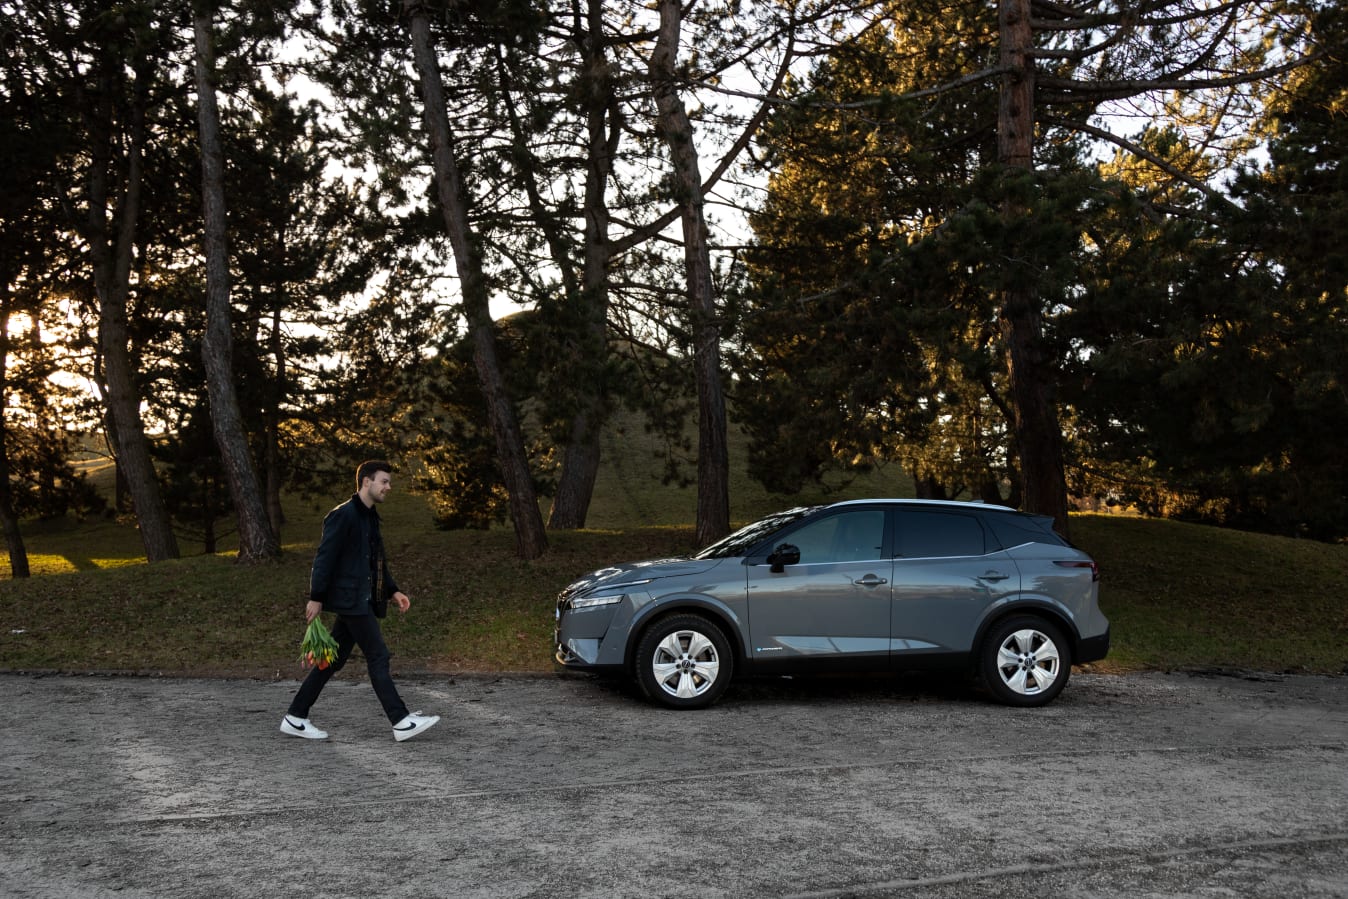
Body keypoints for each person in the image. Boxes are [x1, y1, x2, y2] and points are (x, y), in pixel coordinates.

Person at [281, 460, 440, 742]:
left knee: (332, 661)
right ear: (366, 481)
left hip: (359, 600)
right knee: (378, 655)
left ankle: (295, 716)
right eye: (384, 481)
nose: (388, 487)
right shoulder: (343, 515)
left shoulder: (369, 516)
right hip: (350, 600)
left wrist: (393, 591)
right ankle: (401, 721)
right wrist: (316, 597)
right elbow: (324, 558)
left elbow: (375, 562)